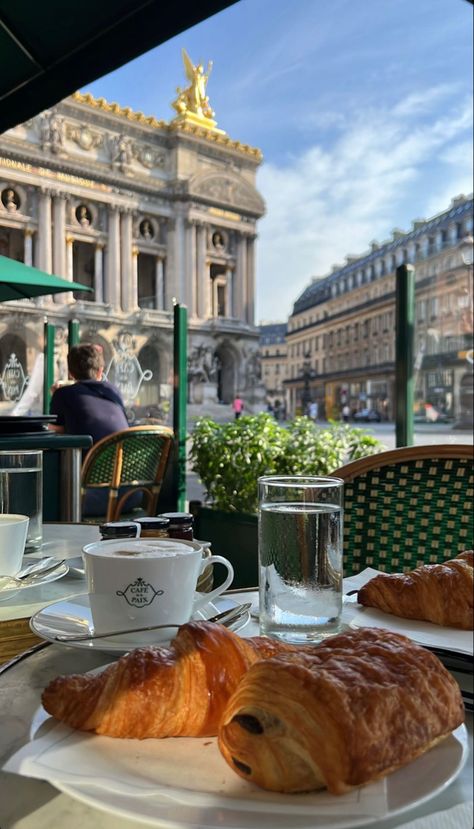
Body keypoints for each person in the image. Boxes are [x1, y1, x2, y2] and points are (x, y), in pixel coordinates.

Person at [49, 344, 137, 516]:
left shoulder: (64, 394)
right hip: (132, 495)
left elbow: (55, 430)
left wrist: (55, 394)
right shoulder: (113, 391)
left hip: (89, 499)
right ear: (100, 371)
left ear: (71, 373)